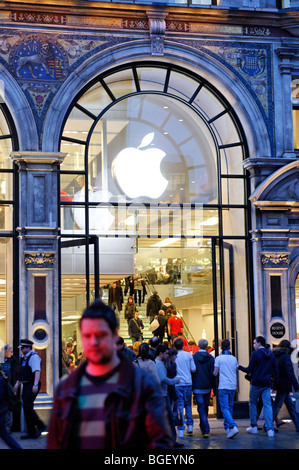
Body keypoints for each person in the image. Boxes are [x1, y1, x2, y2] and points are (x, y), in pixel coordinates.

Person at [47, 299, 172, 449]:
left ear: (114, 335)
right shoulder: (67, 388)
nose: (94, 342)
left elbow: (159, 441)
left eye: (100, 334)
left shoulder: (142, 385)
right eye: (87, 335)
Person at [238, 335, 278, 437]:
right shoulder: (271, 355)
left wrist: (239, 367)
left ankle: (254, 426)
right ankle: (270, 429)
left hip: (256, 383)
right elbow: (276, 370)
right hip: (266, 383)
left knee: (252, 403)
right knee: (267, 405)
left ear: (259, 343)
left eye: (254, 343)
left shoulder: (255, 354)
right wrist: (274, 384)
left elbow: (249, 370)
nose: (253, 345)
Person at [14, 339, 46, 439]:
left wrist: (35, 385)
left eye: (23, 348)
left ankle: (40, 425)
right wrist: (17, 383)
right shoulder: (24, 358)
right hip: (26, 385)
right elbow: (21, 372)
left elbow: (37, 371)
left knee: (27, 407)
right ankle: (31, 432)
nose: (21, 350)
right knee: (27, 408)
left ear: (28, 347)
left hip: (32, 384)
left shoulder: (33, 357)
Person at [155, 344, 183, 448]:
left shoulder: (158, 363)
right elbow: (163, 378)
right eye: (166, 353)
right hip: (162, 394)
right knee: (169, 418)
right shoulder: (159, 364)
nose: (168, 355)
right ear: (161, 353)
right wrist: (174, 380)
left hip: (162, 394)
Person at [213, 339, 239, 438]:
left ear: (220, 347)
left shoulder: (218, 359)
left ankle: (232, 426)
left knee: (224, 407)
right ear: (229, 347)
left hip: (223, 385)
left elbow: (215, 373)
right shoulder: (234, 358)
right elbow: (236, 371)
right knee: (230, 406)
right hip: (232, 385)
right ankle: (227, 428)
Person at [272, 340, 299, 431]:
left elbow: (275, 372)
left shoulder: (275, 356)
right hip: (284, 385)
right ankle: (267, 425)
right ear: (287, 348)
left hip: (280, 384)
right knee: (277, 407)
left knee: (290, 406)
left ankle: (298, 425)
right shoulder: (286, 357)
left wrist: (274, 385)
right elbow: (290, 372)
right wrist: (296, 386)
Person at [192, 338, 215, 438]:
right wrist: (213, 386)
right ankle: (203, 427)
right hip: (207, 385)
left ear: (198, 345)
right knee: (204, 407)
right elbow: (212, 373)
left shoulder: (194, 357)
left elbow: (192, 370)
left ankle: (205, 429)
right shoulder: (210, 358)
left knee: (201, 407)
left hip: (197, 385)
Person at [173, 337, 196, 437]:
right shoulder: (188, 355)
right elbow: (193, 369)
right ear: (183, 345)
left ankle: (181, 429)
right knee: (188, 404)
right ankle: (190, 426)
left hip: (177, 383)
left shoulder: (173, 356)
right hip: (188, 382)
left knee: (180, 406)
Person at [0, 366, 22, 449]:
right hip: (2, 409)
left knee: (5, 435)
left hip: (1, 410)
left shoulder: (1, 380)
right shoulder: (2, 379)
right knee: (4, 435)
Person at [1, 344, 19, 432]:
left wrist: (16, 384)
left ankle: (8, 426)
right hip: (1, 385)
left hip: (9, 386)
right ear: (4, 351)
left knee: (9, 405)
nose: (12, 352)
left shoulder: (13, 360)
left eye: (12, 350)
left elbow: (16, 372)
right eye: (10, 350)